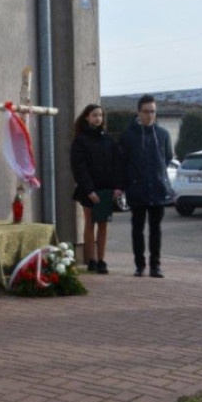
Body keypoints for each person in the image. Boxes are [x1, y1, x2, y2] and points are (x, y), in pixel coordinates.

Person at [116, 95, 174, 278]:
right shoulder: (128, 135)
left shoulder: (163, 134)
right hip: (137, 188)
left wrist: (158, 175)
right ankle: (139, 265)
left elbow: (167, 157)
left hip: (157, 188)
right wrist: (122, 185)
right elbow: (121, 162)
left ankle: (155, 266)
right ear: (139, 112)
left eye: (153, 112)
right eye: (146, 111)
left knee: (156, 230)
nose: (150, 115)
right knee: (137, 229)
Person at [70, 103, 123, 274]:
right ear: (87, 117)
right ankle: (91, 260)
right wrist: (89, 190)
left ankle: (102, 260)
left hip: (106, 189)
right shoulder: (80, 140)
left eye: (100, 115)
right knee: (89, 223)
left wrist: (118, 187)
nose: (98, 118)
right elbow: (79, 167)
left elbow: (117, 163)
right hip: (89, 190)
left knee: (103, 224)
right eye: (94, 115)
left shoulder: (107, 139)